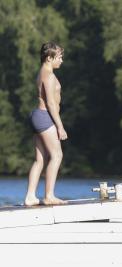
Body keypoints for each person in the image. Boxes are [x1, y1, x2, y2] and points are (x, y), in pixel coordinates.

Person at [24, 42, 68, 206]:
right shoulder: (48, 75)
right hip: (45, 116)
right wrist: (60, 126)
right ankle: (49, 195)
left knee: (40, 160)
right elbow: (50, 103)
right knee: (57, 155)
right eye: (59, 57)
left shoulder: (42, 72)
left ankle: (30, 196)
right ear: (49, 58)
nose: (61, 60)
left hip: (38, 116)